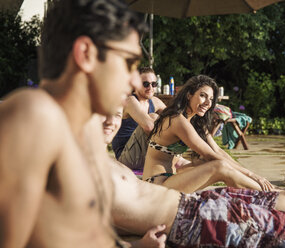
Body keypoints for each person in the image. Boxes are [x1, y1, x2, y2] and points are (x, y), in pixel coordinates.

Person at [0, 0, 166, 247]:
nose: (134, 81)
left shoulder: (87, 131)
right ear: (86, 53)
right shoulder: (35, 115)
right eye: (128, 62)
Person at [101, 99, 285, 248]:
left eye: (115, 114)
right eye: (101, 113)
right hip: (194, 221)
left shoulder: (97, 159)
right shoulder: (79, 173)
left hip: (197, 205)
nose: (112, 121)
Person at [142, 75, 275, 193]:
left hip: (171, 179)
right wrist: (253, 175)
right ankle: (272, 193)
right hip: (156, 185)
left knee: (211, 163)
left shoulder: (194, 121)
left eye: (211, 99)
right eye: (203, 95)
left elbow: (217, 151)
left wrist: (253, 175)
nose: (208, 103)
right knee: (219, 166)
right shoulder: (177, 120)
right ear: (189, 95)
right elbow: (211, 156)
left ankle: (267, 192)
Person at [111, 67, 167, 170]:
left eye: (154, 84)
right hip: (126, 159)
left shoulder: (155, 101)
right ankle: (178, 160)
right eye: (145, 84)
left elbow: (176, 120)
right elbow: (149, 127)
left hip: (144, 155)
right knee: (154, 118)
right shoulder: (130, 101)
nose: (150, 87)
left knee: (168, 121)